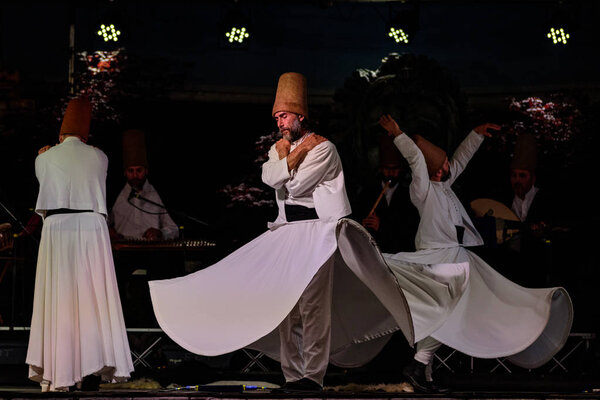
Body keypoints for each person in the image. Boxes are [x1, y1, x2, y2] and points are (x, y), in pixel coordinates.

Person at [148, 73, 417, 393]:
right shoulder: (285, 148)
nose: (280, 122)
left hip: (318, 232)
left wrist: (288, 160)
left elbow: (298, 184)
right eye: (277, 117)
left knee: (313, 307)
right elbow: (270, 178)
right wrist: (291, 157)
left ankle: (312, 376)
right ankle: (292, 375)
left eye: (285, 116)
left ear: (300, 116)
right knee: (286, 307)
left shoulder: (324, 148)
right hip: (288, 231)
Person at [377, 114, 573, 393]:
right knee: (447, 311)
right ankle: (419, 364)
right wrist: (399, 134)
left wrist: (476, 135)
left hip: (455, 259)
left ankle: (423, 372)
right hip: (439, 260)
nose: (449, 165)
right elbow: (416, 160)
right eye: (444, 163)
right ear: (435, 170)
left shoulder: (444, 186)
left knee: (445, 311)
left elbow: (460, 160)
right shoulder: (423, 191)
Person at [26, 97, 133, 392]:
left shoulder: (43, 158)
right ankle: (92, 368)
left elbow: (46, 178)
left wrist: (46, 153)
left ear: (60, 135)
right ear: (85, 136)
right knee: (92, 296)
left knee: (60, 298)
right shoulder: (100, 156)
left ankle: (60, 369)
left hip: (58, 228)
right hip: (90, 227)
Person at [108, 129, 179, 241]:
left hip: (152, 252)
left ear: (146, 171)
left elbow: (174, 229)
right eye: (131, 171)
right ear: (125, 173)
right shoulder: (116, 195)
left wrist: (160, 233)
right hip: (122, 252)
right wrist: (108, 231)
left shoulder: (156, 194)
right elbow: (102, 224)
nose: (135, 175)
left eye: (139, 170)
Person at [360, 133, 419, 253]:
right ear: (380, 169)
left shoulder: (409, 195)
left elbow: (409, 230)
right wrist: (362, 225)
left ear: (401, 170)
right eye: (387, 169)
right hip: (373, 254)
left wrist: (381, 227)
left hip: (399, 254)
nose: (391, 173)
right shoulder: (367, 193)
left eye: (395, 169)